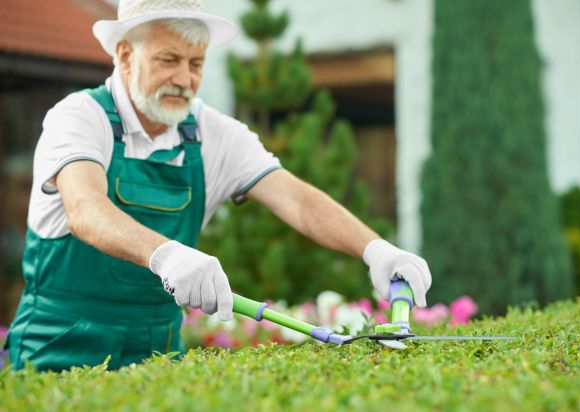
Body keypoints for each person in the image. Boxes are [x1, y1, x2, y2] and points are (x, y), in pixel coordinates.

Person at [4, 0, 432, 372]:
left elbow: (296, 200)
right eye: (168, 60)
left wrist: (375, 248)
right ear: (125, 55)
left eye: (196, 64)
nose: (185, 79)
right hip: (58, 348)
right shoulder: (79, 116)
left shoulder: (212, 133)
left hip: (157, 355)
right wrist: (166, 255)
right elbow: (85, 209)